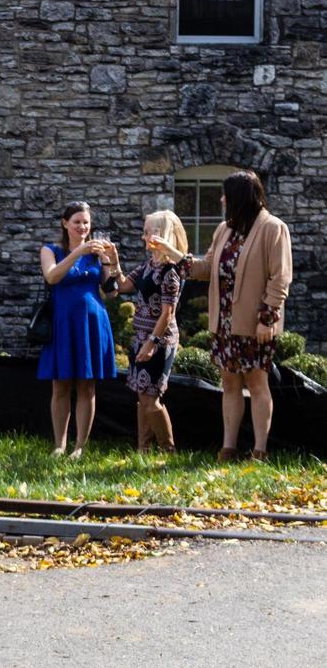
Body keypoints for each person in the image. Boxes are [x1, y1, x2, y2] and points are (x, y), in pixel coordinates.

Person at [153, 170, 292, 461]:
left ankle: (260, 450)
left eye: (226, 194)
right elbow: (205, 269)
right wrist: (173, 253)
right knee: (229, 384)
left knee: (256, 384)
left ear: (240, 197)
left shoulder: (273, 228)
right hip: (224, 321)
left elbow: (280, 278)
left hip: (256, 323)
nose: (221, 199)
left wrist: (268, 318)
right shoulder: (224, 230)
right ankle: (228, 448)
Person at [36, 201, 117, 459]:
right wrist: (78, 252)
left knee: (87, 385)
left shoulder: (96, 253)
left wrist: (112, 264)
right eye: (77, 222)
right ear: (65, 223)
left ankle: (80, 447)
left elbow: (112, 291)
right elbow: (52, 276)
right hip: (63, 322)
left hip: (92, 322)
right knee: (60, 385)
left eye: (86, 223)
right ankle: (59, 445)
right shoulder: (51, 250)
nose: (83, 227)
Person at [105, 210, 188, 452]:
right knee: (142, 398)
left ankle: (167, 449)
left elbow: (168, 313)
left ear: (164, 235)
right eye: (144, 232)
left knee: (151, 399)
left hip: (158, 341)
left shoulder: (171, 270)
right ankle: (143, 449)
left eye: (149, 232)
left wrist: (151, 343)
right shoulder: (148, 265)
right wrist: (113, 260)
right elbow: (122, 286)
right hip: (140, 337)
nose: (144, 237)